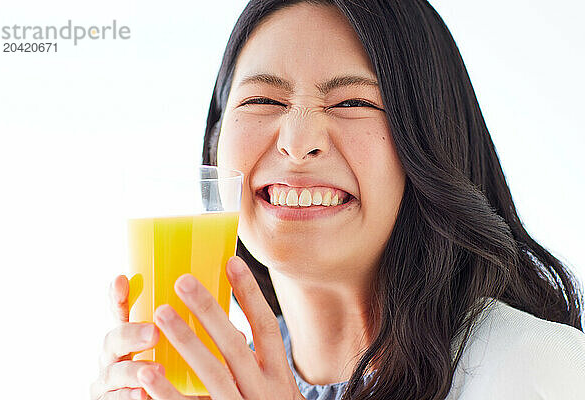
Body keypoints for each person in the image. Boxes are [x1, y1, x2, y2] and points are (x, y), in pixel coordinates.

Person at [90, 1, 585, 399]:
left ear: (432, 139)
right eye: (262, 100)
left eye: (354, 102)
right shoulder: (218, 385)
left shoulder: (535, 368)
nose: (297, 139)